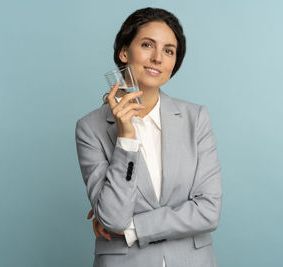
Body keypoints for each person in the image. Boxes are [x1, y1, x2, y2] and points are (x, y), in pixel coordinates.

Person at [75, 7, 222, 267]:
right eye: (147, 45)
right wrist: (126, 139)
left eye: (168, 50)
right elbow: (113, 218)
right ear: (124, 52)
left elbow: (208, 211)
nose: (157, 58)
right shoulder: (90, 128)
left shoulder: (195, 118)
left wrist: (133, 228)